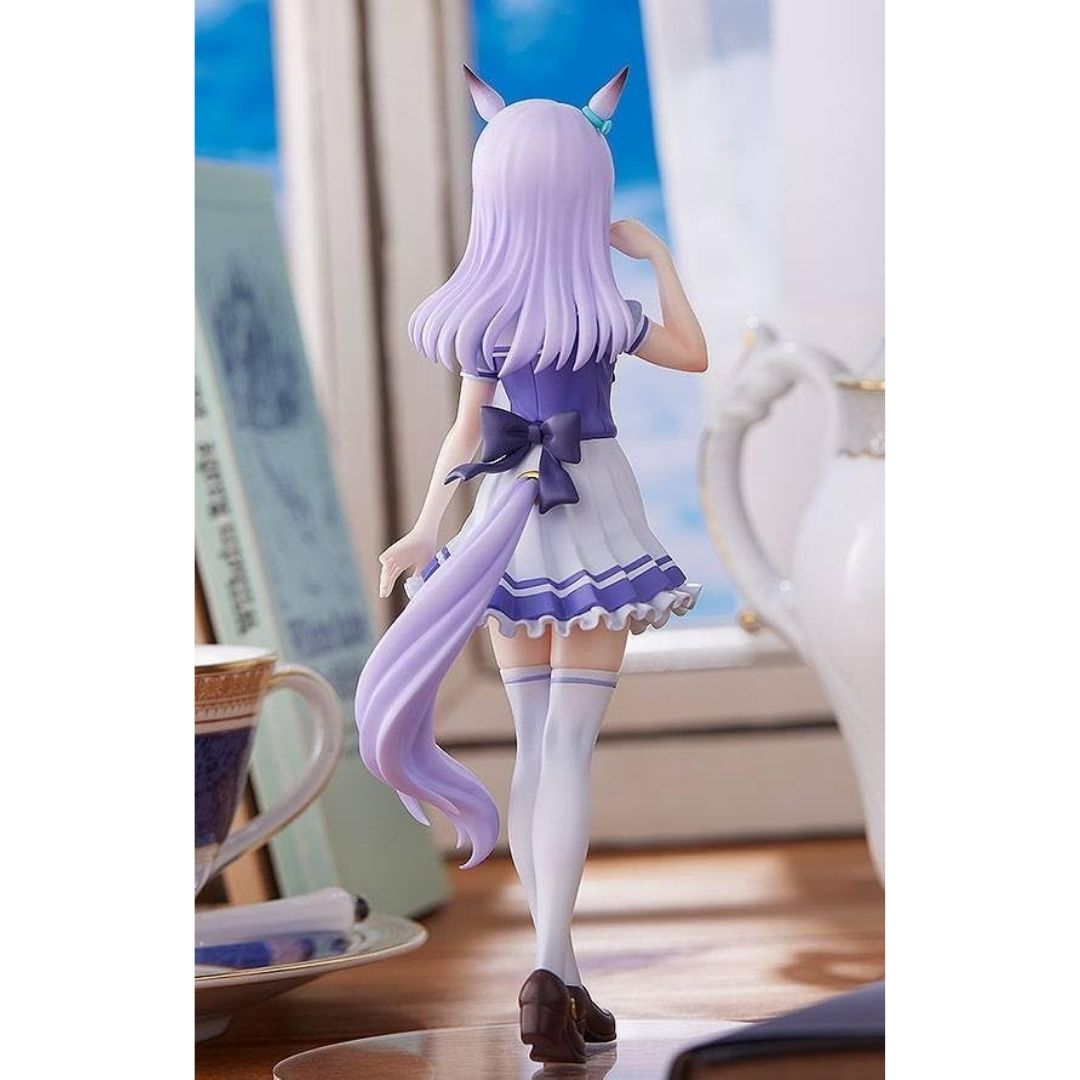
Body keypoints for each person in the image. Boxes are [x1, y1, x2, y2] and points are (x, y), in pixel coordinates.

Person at [355, 64, 708, 1065]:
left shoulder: (491, 318)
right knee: (566, 749)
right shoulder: (604, 314)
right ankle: (550, 968)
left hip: (508, 512)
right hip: (587, 512)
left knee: (534, 746)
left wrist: (430, 525)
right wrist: (655, 252)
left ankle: (560, 979)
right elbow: (694, 352)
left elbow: (467, 431)